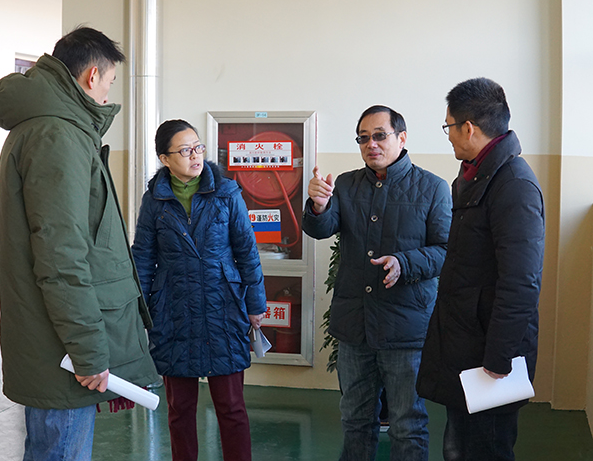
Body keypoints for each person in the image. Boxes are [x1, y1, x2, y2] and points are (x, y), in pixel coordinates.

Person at [0, 27, 158, 460]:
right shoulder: (57, 135)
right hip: (61, 351)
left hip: (52, 339)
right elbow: (61, 257)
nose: (107, 94)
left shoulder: (48, 127)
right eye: (109, 83)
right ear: (91, 76)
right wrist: (89, 351)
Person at [303, 105, 452, 461]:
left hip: (406, 329)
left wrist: (404, 262)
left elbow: (447, 250)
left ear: (402, 138)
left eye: (380, 136)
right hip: (355, 325)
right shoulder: (346, 184)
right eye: (363, 138)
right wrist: (319, 206)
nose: (371, 144)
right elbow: (321, 230)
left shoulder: (432, 187)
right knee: (355, 420)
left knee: (407, 424)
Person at [416, 78, 545, 461]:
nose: (449, 137)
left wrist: (498, 359)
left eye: (449, 127)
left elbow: (521, 283)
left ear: (468, 128)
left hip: (490, 358)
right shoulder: (475, 176)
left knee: (486, 449)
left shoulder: (513, 185)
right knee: (458, 447)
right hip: (466, 347)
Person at [131, 119, 267, 461]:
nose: (195, 156)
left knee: (231, 407)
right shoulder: (155, 200)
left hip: (223, 308)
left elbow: (247, 251)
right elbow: (143, 259)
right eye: (185, 150)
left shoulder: (226, 193)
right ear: (165, 159)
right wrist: (140, 314)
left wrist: (255, 304)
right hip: (173, 309)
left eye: (198, 147)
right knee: (179, 410)